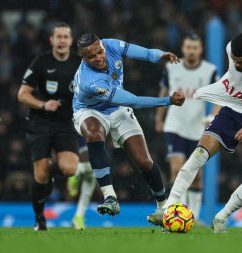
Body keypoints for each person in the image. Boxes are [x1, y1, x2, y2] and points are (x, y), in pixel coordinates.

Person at [147, 33, 242, 233]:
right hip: (231, 108)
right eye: (234, 61)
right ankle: (168, 209)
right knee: (199, 154)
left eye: (241, 62)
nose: (236, 65)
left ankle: (221, 218)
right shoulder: (232, 48)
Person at [72, 33, 185, 216]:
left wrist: (161, 55)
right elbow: (134, 101)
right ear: (84, 58)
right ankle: (110, 197)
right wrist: (167, 101)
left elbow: (146, 53)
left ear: (102, 45)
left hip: (118, 108)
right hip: (90, 111)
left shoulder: (112, 45)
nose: (98, 58)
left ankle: (163, 206)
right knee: (94, 133)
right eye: (91, 57)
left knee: (144, 162)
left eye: (99, 52)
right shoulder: (90, 81)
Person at [17, 22, 95, 231]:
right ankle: (39, 219)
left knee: (70, 169)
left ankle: (47, 172)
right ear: (51, 40)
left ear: (71, 41)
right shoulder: (41, 62)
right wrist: (43, 104)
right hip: (40, 122)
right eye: (58, 37)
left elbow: (92, 89)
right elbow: (22, 94)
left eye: (65, 37)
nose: (62, 40)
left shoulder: (80, 64)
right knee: (40, 176)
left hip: (65, 123)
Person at [155, 34, 218, 222]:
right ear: (183, 49)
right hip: (174, 125)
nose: (191, 51)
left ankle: (195, 217)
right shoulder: (171, 68)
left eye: (195, 48)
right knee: (177, 170)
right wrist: (160, 117)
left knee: (197, 176)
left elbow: (219, 96)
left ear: (201, 50)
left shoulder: (210, 70)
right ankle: (177, 215)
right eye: (188, 47)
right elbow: (164, 91)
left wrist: (214, 115)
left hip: (197, 129)